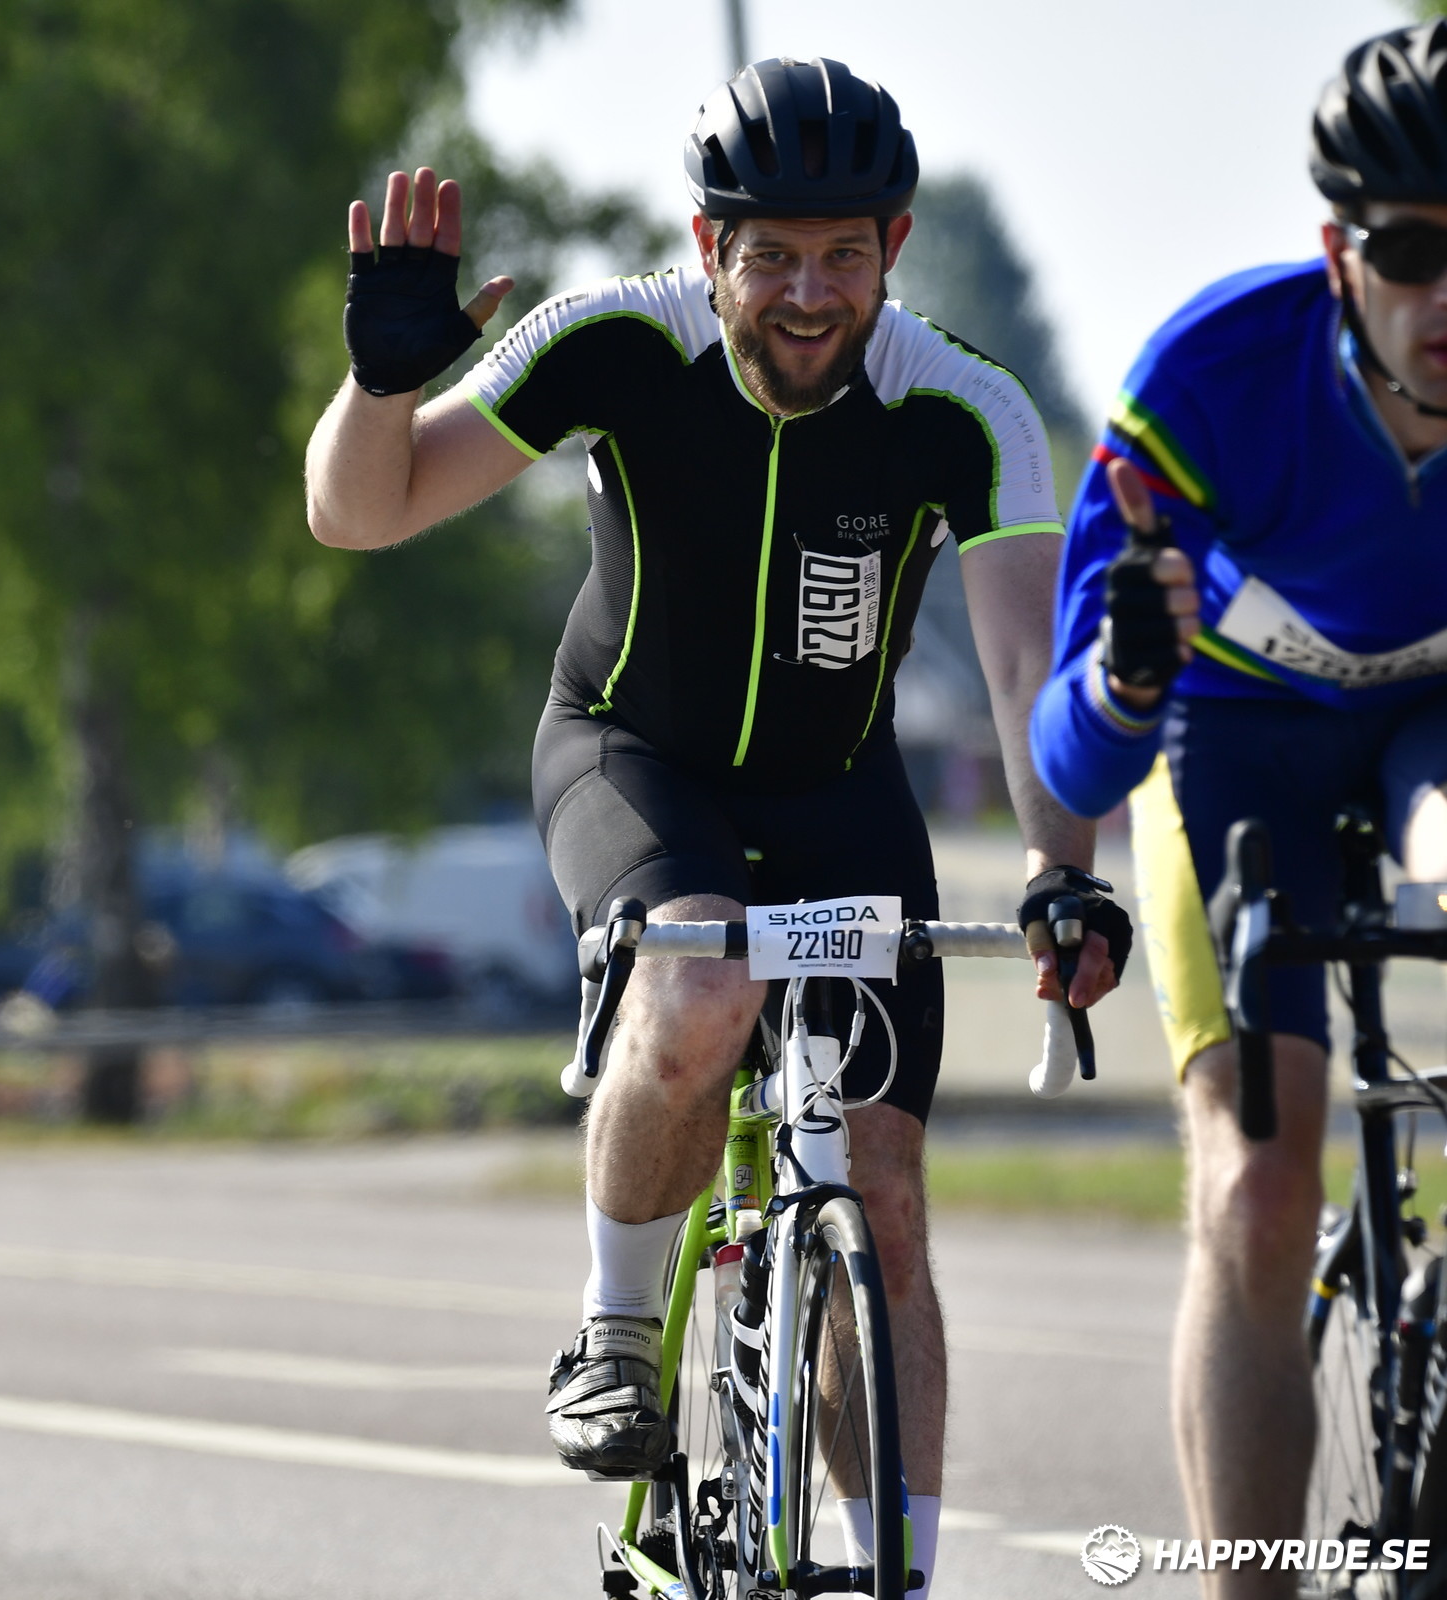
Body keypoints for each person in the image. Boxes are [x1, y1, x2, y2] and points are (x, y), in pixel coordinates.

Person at [306, 57, 1126, 1597]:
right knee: (695, 985)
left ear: (892, 246)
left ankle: (899, 1573)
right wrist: (381, 386)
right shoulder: (614, 342)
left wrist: (1060, 873)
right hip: (633, 762)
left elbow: (1027, 668)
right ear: (708, 247)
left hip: (838, 797)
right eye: (772, 257)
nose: (809, 295)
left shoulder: (970, 410)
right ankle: (616, 1328)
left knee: (886, 1204)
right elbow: (359, 511)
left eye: (843, 256)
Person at [1029, 24, 1447, 1595]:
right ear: (1341, 255)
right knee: (1265, 1187)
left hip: (1433, 730)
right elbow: (1069, 767)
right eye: (1413, 253)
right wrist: (1131, 676)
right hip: (1236, 738)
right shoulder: (1211, 381)